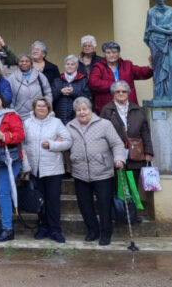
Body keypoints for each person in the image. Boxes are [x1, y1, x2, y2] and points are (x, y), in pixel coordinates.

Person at [66, 97, 125, 246]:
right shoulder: (70, 126)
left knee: (104, 205)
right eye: (78, 110)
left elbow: (117, 144)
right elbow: (64, 147)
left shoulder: (104, 124)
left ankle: (106, 233)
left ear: (91, 110)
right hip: (80, 172)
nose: (82, 112)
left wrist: (119, 158)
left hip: (102, 171)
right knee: (84, 205)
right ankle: (93, 230)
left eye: (84, 109)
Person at [21, 97, 72, 243]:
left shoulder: (56, 122)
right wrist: (26, 166)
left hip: (53, 169)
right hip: (34, 169)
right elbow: (23, 146)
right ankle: (43, 227)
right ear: (34, 108)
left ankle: (55, 230)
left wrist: (51, 144)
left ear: (48, 108)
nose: (41, 108)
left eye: (44, 106)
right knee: (39, 200)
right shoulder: (27, 123)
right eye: (38, 106)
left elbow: (68, 141)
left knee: (53, 201)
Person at [0, 90, 25, 242]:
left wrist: (5, 136)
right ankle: (5, 226)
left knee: (2, 191)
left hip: (10, 160)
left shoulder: (12, 115)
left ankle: (8, 229)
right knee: (1, 192)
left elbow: (20, 135)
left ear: (1, 99)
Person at [100, 80, 154, 173]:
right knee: (118, 186)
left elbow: (145, 132)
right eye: (118, 91)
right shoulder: (107, 110)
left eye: (124, 91)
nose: (121, 93)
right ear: (113, 93)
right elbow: (101, 133)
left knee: (133, 186)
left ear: (128, 93)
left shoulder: (137, 109)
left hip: (136, 156)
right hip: (114, 156)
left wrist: (148, 152)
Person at [89, 42, 153, 114]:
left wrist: (151, 67)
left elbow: (142, 72)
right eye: (108, 52)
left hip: (128, 105)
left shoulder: (127, 65)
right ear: (104, 54)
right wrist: (115, 85)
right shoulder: (99, 66)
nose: (111, 55)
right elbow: (93, 83)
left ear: (119, 54)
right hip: (108, 107)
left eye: (114, 52)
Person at [144, 0, 172, 102]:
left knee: (171, 67)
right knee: (159, 68)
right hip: (157, 42)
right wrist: (169, 31)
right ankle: (159, 96)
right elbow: (152, 26)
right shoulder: (152, 12)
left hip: (171, 42)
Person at [8, 53, 52, 120]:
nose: (24, 63)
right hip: (20, 116)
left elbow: (48, 92)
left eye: (27, 61)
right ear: (18, 63)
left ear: (31, 63)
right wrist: (13, 112)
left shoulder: (40, 76)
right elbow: (9, 98)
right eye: (21, 61)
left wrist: (47, 107)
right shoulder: (12, 78)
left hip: (39, 115)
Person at [52, 55, 92, 125]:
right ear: (64, 66)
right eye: (67, 64)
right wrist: (61, 92)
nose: (69, 66)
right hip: (60, 116)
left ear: (77, 67)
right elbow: (52, 97)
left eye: (72, 64)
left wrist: (73, 92)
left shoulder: (83, 80)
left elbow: (88, 97)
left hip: (77, 116)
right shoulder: (57, 79)